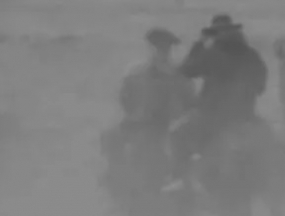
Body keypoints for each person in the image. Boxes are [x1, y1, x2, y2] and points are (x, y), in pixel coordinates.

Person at [169, 14, 270, 175]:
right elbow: (261, 87)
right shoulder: (252, 55)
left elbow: (186, 70)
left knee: (176, 135)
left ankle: (180, 177)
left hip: (212, 117)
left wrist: (199, 44)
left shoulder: (212, 53)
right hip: (244, 116)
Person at [102, 28, 195, 170]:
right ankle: (115, 173)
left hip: (164, 125)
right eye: (158, 48)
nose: (161, 52)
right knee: (110, 136)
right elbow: (125, 97)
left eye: (164, 48)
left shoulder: (178, 76)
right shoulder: (136, 72)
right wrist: (134, 114)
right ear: (151, 48)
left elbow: (189, 103)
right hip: (139, 122)